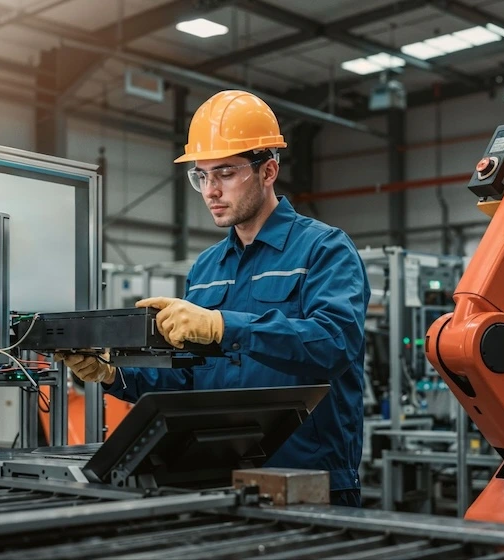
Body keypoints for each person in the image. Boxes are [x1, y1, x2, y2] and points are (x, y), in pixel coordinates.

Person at [57, 90, 371, 507]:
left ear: (268, 170)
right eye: (201, 176)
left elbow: (334, 344)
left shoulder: (324, 250)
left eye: (225, 172)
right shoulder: (206, 269)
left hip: (310, 482)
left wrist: (224, 327)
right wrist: (114, 374)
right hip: (218, 481)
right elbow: (190, 379)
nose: (210, 191)